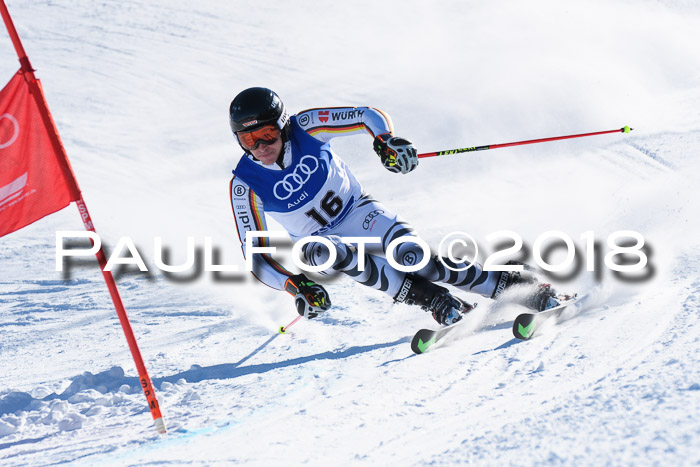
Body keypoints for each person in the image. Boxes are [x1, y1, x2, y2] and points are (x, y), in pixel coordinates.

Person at [228, 87, 561, 325]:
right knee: (332, 250)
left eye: (267, 134)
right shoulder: (245, 185)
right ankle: (432, 299)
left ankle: (515, 286)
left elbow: (365, 115)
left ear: (283, 125)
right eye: (248, 141)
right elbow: (257, 259)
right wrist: (296, 285)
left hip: (359, 211)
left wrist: (384, 140)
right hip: (318, 244)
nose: (259, 146)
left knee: (414, 258)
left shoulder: (307, 127)